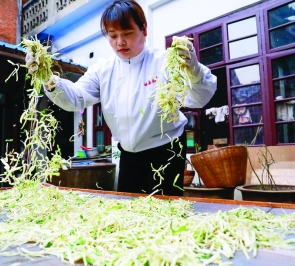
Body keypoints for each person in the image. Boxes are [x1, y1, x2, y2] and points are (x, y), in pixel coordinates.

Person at [37, 0, 217, 196]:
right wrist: (50, 81)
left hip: (167, 150)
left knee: (166, 211)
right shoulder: (103, 70)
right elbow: (77, 98)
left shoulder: (164, 62)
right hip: (129, 154)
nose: (120, 42)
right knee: (129, 208)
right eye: (113, 36)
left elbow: (199, 98)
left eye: (127, 34)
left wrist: (193, 69)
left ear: (144, 29)